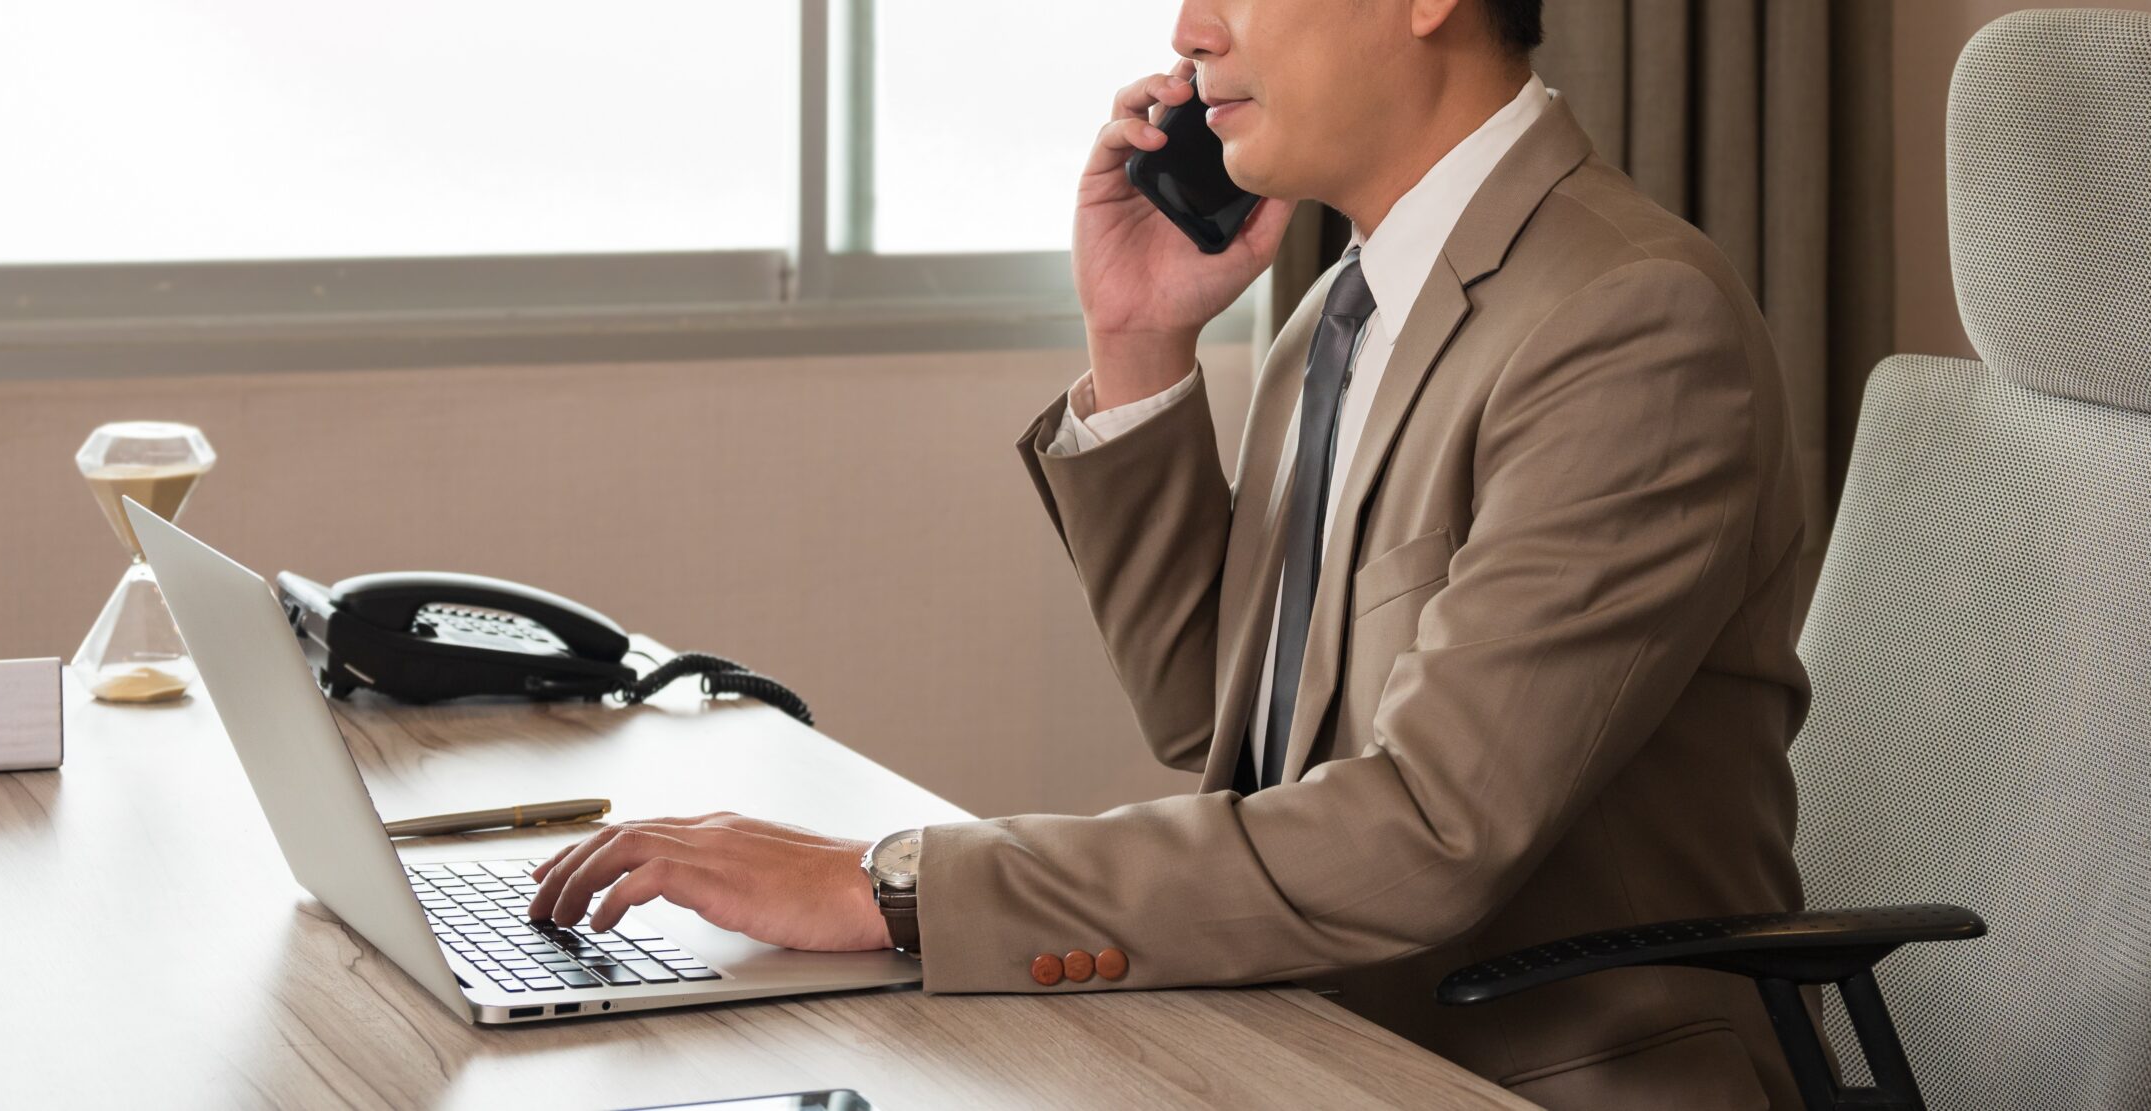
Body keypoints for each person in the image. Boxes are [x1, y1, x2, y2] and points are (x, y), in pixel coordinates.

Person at [529, 1, 1815, 1106]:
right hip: (1302, 1029)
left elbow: (1429, 828)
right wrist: (1137, 344)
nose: (1188, 35)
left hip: (1514, 1072)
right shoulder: (1347, 309)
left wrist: (896, 885)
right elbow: (1221, 719)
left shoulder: (1627, 322)